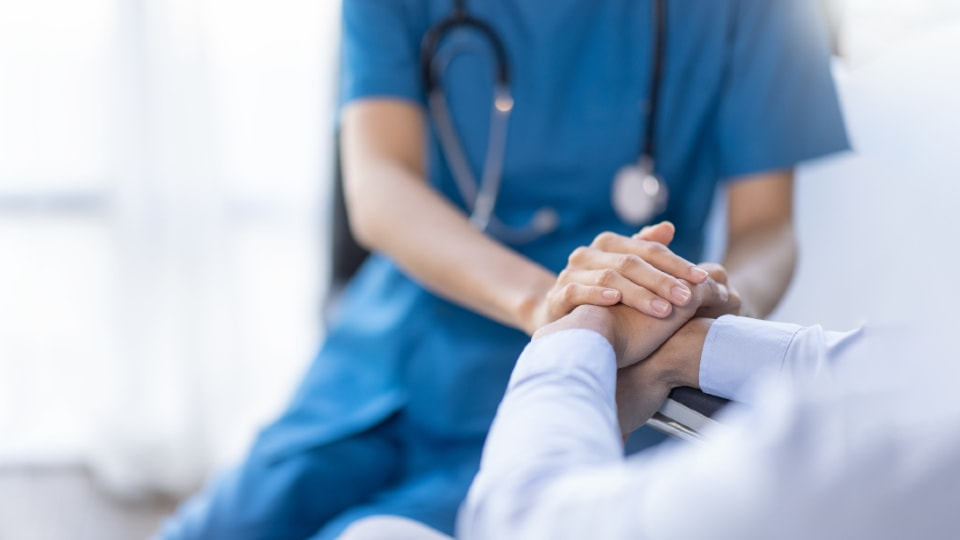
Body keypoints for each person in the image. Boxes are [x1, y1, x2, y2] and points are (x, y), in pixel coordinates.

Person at [157, 1, 848, 538]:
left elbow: (766, 229)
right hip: (403, 341)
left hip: (611, 372)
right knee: (214, 528)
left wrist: (709, 309)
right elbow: (379, 186)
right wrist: (548, 304)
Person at [339, 286, 960, 540]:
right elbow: (882, 366)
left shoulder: (877, 456)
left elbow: (523, 522)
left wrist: (584, 326)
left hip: (573, 368)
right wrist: (690, 350)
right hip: (423, 339)